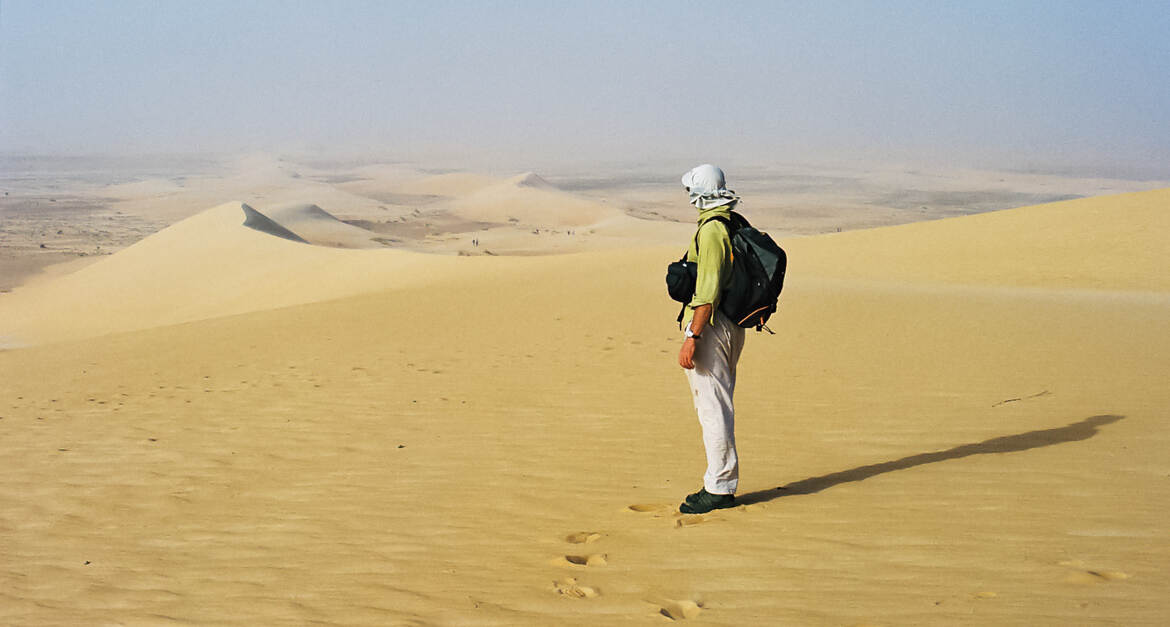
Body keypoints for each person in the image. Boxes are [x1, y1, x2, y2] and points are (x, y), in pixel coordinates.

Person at [676, 164, 746, 515]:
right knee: (717, 402)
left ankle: (719, 487)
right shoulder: (729, 221)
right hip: (729, 325)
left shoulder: (712, 230)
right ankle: (719, 481)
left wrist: (693, 335)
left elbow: (707, 291)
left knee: (713, 406)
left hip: (714, 326)